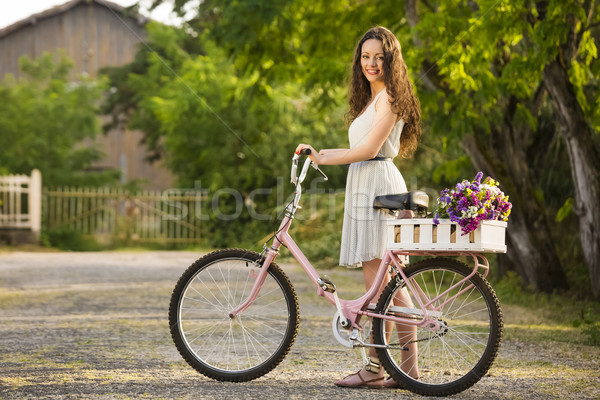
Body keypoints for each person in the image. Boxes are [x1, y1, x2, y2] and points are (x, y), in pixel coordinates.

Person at [295, 26, 421, 388]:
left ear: (390, 60)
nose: (371, 63)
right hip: (366, 181)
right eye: (366, 57)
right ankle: (396, 370)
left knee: (388, 287)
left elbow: (368, 152)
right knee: (383, 285)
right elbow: (356, 153)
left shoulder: (391, 98)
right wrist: (317, 154)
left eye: (379, 57)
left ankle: (389, 369)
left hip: (379, 185)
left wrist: (325, 158)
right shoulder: (372, 99)